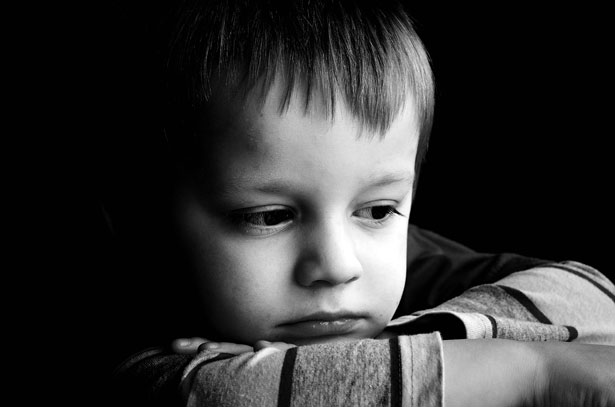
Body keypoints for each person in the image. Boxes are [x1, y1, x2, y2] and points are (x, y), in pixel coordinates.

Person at [108, 0, 615, 406]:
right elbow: (228, 392)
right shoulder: (137, 344)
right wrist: (530, 370)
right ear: (145, 219)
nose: (337, 265)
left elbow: (593, 298)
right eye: (269, 217)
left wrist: (381, 354)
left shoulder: (391, 265)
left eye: (376, 210)